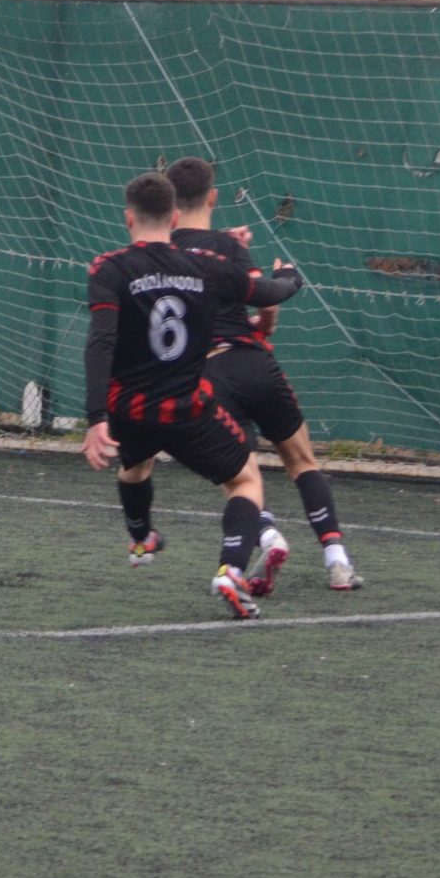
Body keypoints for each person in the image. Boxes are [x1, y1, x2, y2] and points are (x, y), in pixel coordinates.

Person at [84, 170, 304, 619]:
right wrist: (290, 276)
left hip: (129, 409)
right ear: (175, 218)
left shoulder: (109, 267)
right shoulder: (208, 267)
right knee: (246, 481)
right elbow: (272, 292)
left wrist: (96, 418)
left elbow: (101, 342)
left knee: (134, 467)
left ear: (129, 218)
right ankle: (231, 570)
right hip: (186, 408)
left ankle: (141, 538)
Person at [164, 157, 363, 594]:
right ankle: (337, 562)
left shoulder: (157, 257)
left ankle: (268, 534)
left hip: (207, 374)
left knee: (240, 477)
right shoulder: (228, 247)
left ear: (168, 206)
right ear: (213, 197)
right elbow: (267, 304)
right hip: (255, 363)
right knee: (301, 460)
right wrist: (284, 284)